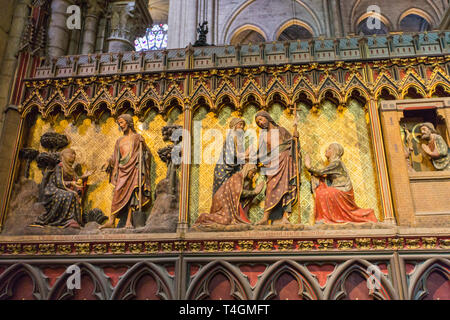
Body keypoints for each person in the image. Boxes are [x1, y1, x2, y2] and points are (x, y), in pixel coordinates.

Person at [304, 143, 378, 224]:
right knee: (322, 192)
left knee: (322, 194)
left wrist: (308, 166)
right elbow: (324, 176)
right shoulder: (335, 164)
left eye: (329, 148)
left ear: (334, 152)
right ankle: (328, 218)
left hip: (343, 190)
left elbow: (321, 172)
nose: (326, 150)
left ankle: (326, 219)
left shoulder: (337, 163)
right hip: (338, 189)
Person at [100, 114, 151, 229]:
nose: (120, 125)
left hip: (134, 168)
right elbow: (115, 156)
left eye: (122, 123)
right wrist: (109, 162)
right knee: (117, 192)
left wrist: (143, 152)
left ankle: (129, 222)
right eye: (119, 123)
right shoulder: (119, 140)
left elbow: (146, 154)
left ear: (128, 122)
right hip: (122, 169)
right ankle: (111, 221)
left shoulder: (137, 137)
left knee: (133, 194)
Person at [253, 111, 300, 225]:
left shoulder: (281, 130)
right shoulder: (263, 136)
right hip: (273, 164)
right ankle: (265, 217)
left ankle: (285, 217)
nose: (260, 123)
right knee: (270, 189)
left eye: (261, 119)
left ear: (268, 117)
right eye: (258, 122)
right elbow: (262, 153)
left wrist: (296, 138)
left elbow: (293, 145)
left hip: (285, 160)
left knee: (287, 188)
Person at [33, 148, 93, 228]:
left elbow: (75, 179)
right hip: (53, 190)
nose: (73, 156)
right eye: (71, 154)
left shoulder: (70, 169)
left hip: (62, 189)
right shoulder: (59, 167)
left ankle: (72, 220)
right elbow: (58, 182)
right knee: (71, 195)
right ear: (63, 156)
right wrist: (71, 183)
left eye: (74, 154)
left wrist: (83, 177)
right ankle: (66, 220)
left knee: (73, 194)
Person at [195, 164, 263, 226]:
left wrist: (254, 192)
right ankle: (204, 217)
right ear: (247, 170)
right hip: (222, 200)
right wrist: (254, 192)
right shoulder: (238, 177)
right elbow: (239, 192)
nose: (253, 175)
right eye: (252, 172)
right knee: (226, 220)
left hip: (227, 201)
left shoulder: (244, 180)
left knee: (228, 220)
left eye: (255, 173)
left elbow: (240, 197)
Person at [212, 118, 246, 195]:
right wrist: (245, 156)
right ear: (234, 126)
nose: (242, 127)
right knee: (223, 194)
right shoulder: (231, 137)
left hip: (231, 170)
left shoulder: (238, 140)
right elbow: (231, 156)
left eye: (243, 125)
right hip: (224, 170)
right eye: (240, 124)